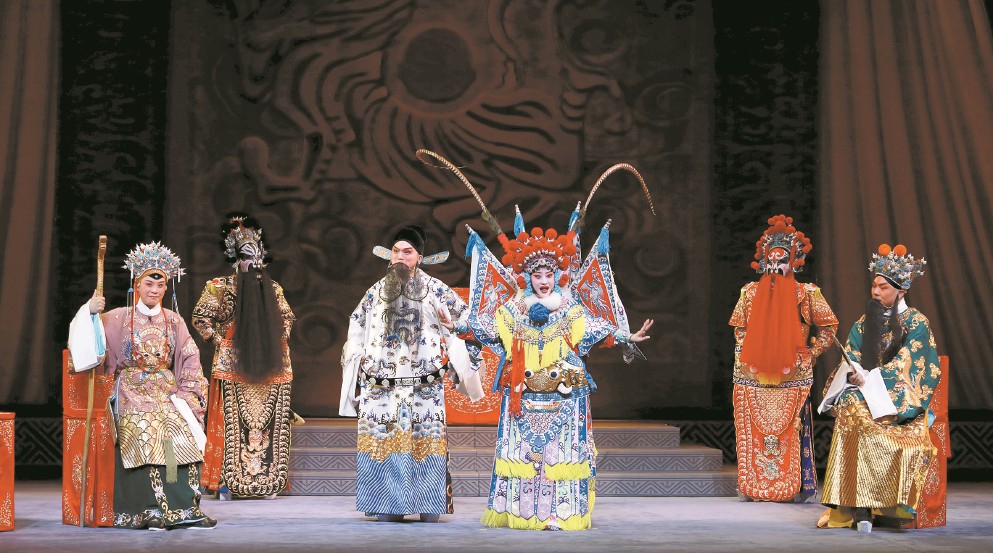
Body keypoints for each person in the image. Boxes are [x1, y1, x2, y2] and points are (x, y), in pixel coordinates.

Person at [339, 224, 483, 522]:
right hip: (382, 387)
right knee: (383, 441)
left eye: (408, 252)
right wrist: (358, 358)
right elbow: (356, 325)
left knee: (425, 441)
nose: (400, 257)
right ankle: (385, 502)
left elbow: (470, 321)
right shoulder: (375, 292)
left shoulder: (436, 289)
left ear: (419, 257)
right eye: (396, 251)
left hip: (424, 386)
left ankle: (428, 501)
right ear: (389, 255)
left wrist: (455, 335)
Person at [68, 242, 215, 530]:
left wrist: (186, 395)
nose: (155, 290)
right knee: (144, 433)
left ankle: (183, 508)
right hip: (131, 392)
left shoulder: (174, 320)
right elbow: (90, 351)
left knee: (179, 438)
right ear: (137, 284)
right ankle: (146, 509)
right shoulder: (116, 318)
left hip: (167, 393)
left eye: (160, 285)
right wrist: (89, 312)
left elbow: (189, 357)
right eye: (149, 284)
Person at [817, 243, 939, 532]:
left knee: (860, 414)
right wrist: (855, 374)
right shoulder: (863, 323)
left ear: (901, 291)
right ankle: (857, 506)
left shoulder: (917, 322)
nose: (875, 292)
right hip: (864, 394)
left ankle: (870, 506)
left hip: (898, 404)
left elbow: (908, 364)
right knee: (851, 406)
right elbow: (851, 356)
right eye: (874, 286)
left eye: (883, 287)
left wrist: (869, 380)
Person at [729, 215, 838, 502]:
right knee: (753, 431)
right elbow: (739, 328)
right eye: (771, 259)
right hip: (752, 374)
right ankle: (753, 484)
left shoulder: (807, 293)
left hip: (793, 374)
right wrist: (748, 352)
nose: (775, 265)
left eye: (782, 260)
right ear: (763, 261)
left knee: (791, 430)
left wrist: (812, 352)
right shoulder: (749, 293)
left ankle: (792, 486)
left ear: (794, 262)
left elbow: (829, 326)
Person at [192, 213, 296, 499]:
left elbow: (287, 318)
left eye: (259, 257)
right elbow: (201, 318)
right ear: (236, 260)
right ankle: (225, 481)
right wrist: (222, 342)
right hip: (232, 364)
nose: (256, 264)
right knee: (229, 422)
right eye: (249, 258)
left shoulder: (273, 289)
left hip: (270, 363)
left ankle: (267, 480)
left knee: (268, 422)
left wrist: (276, 341)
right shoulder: (219, 287)